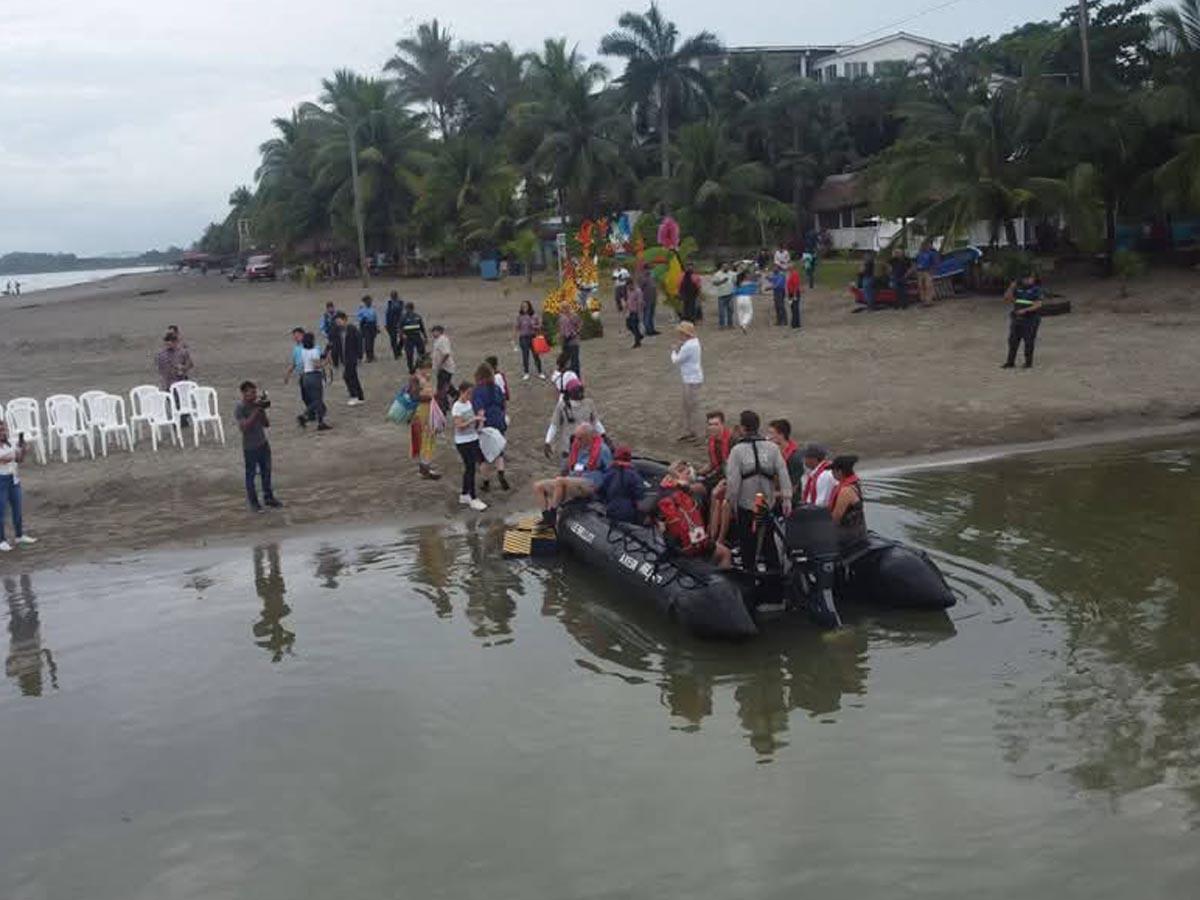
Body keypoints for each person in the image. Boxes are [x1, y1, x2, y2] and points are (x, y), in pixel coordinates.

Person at [724, 410, 793, 574]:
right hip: (766, 503)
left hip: (746, 504)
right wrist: (787, 498)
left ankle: (750, 576)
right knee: (768, 540)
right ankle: (775, 576)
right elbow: (783, 473)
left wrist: (730, 503)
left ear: (742, 428)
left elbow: (733, 483)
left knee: (748, 542)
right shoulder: (772, 448)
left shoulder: (737, 451)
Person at [532, 422, 612, 527]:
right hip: (572, 480)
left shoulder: (602, 449)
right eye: (576, 438)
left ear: (589, 437)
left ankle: (553, 512)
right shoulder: (576, 448)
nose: (577, 441)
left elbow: (610, 471)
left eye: (580, 438)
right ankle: (546, 517)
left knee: (561, 481)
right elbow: (567, 466)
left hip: (589, 483)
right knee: (538, 486)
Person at [655, 462, 732, 569]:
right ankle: (719, 580)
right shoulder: (690, 496)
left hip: (676, 545)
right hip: (693, 544)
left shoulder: (662, 493)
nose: (690, 473)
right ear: (681, 474)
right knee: (726, 553)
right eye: (687, 471)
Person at [234, 381, 283, 512]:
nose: (254, 395)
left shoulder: (256, 405)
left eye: (255, 392)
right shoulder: (240, 407)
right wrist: (256, 411)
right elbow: (244, 427)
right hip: (250, 447)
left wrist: (261, 410)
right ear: (244, 393)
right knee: (250, 476)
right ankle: (254, 503)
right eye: (252, 393)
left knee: (266, 473)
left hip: (262, 443)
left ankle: (268, 497)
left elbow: (266, 424)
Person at [472, 362, 510, 492]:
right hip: (499, 421)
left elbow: (480, 410)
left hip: (487, 423)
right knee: (498, 451)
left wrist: (480, 427)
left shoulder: (477, 391)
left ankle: (486, 482)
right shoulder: (497, 388)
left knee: (483, 455)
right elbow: (503, 404)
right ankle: (501, 474)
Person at [451, 381, 489, 511]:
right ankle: (473, 498)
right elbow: (459, 426)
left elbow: (473, 425)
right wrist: (474, 419)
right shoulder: (457, 406)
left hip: (473, 438)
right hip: (463, 442)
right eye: (468, 393)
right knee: (470, 468)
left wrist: (480, 420)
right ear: (461, 392)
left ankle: (464, 494)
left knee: (470, 468)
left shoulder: (469, 403)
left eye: (471, 393)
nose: (470, 396)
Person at [0, 421, 37, 552]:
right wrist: (16, 453)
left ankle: (19, 535)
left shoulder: (11, 443)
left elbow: (19, 460)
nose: (3, 433)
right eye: (1, 431)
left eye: (4, 430)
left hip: (13, 478)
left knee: (17, 508)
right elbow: (3, 459)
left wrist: (23, 451)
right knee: (1, 512)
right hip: (1, 480)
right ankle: (1, 540)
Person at [544, 382, 604, 459]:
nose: (580, 393)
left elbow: (596, 422)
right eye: (577, 391)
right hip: (568, 447)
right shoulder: (561, 406)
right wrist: (547, 441)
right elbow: (554, 426)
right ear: (570, 393)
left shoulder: (589, 403)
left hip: (587, 444)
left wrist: (603, 435)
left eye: (581, 390)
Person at [670, 321, 704, 443]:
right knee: (688, 407)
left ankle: (696, 433)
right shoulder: (693, 342)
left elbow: (676, 361)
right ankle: (690, 431)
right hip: (691, 378)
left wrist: (674, 350)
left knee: (691, 407)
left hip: (691, 379)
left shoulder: (689, 346)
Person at [1003, 272, 1044, 369]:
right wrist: (1011, 287)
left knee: (1028, 341)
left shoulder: (1036, 290)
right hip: (1017, 319)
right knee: (1013, 341)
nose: (1027, 280)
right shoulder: (1018, 289)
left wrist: (1025, 310)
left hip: (1031, 319)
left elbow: (1038, 305)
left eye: (1030, 278)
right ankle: (1010, 362)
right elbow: (1007, 298)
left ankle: (1028, 363)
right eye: (1025, 278)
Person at [410, 356, 441, 480]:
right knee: (426, 439)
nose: (428, 371)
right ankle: (425, 467)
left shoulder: (422, 378)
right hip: (421, 412)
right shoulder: (416, 379)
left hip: (426, 411)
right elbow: (415, 396)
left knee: (429, 438)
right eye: (426, 368)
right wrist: (430, 396)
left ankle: (425, 466)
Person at [597, 444, 644, 524]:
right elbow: (639, 493)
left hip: (611, 506)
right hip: (628, 509)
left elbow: (601, 489)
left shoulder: (610, 472)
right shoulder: (634, 475)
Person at [829, 455, 867, 549]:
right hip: (858, 529)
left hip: (849, 534)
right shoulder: (855, 484)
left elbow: (836, 518)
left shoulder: (846, 491)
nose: (831, 473)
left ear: (840, 472)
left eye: (833, 471)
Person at [297, 332, 331, 431]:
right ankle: (304, 415)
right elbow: (317, 365)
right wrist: (326, 362)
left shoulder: (303, 351)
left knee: (315, 400)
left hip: (306, 377)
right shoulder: (314, 351)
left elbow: (320, 356)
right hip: (314, 376)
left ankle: (321, 422)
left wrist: (327, 350)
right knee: (318, 400)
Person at [767, 419, 804, 504]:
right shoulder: (773, 452)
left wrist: (769, 495)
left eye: (771, 433)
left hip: (789, 504)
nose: (768, 437)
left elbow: (792, 490)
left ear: (781, 435)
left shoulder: (795, 458)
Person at [336, 312, 365, 405]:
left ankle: (354, 396)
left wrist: (360, 356)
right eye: (337, 321)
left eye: (339, 321)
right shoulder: (338, 331)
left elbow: (359, 342)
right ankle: (360, 396)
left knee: (347, 376)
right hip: (344, 358)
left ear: (345, 320)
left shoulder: (352, 329)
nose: (338, 323)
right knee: (354, 377)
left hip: (352, 357)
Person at [514, 300, 545, 380]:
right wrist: (515, 339)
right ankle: (526, 372)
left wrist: (535, 326)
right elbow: (517, 328)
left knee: (536, 355)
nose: (524, 308)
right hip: (523, 338)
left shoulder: (534, 316)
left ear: (529, 307)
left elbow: (540, 326)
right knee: (525, 356)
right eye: (523, 306)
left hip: (533, 337)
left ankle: (540, 372)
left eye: (526, 306)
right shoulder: (519, 316)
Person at [430, 325, 456, 404]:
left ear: (439, 331)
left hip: (445, 368)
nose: (433, 334)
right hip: (443, 368)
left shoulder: (442, 340)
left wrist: (440, 364)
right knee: (446, 384)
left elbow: (446, 353)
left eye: (434, 332)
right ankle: (455, 395)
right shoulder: (438, 340)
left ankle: (444, 403)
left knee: (442, 387)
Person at [401, 302, 427, 374]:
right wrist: (402, 335)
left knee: (422, 352)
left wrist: (425, 337)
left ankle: (418, 366)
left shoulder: (417, 317)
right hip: (408, 337)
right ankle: (411, 368)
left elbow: (422, 327)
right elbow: (400, 328)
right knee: (409, 354)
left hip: (417, 336)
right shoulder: (403, 317)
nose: (408, 310)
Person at [915, 239, 940, 306]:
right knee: (921, 286)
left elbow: (935, 263)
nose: (924, 247)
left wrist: (932, 271)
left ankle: (929, 300)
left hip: (927, 271)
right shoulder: (919, 254)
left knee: (928, 286)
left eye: (926, 245)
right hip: (920, 271)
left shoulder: (931, 253)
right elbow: (916, 263)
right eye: (923, 245)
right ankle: (923, 300)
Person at [558, 305, 582, 375]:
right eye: (563, 308)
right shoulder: (561, 317)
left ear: (569, 308)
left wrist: (575, 333)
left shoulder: (574, 316)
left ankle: (577, 378)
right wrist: (560, 338)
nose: (565, 309)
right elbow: (561, 329)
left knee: (575, 362)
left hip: (573, 341)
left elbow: (580, 325)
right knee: (565, 361)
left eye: (566, 307)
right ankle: (568, 378)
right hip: (564, 342)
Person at [712, 262, 735, 329]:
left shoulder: (731, 273)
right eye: (724, 266)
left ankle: (730, 324)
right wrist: (722, 281)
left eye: (727, 266)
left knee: (730, 310)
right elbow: (714, 283)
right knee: (721, 312)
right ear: (721, 267)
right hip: (721, 295)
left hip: (730, 294)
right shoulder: (717, 274)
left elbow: (735, 280)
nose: (726, 267)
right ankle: (722, 325)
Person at [356, 296, 379, 362]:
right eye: (368, 301)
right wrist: (363, 319)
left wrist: (377, 327)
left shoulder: (373, 309)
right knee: (367, 342)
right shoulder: (362, 310)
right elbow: (358, 318)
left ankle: (372, 355)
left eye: (370, 301)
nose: (370, 302)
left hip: (372, 326)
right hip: (366, 326)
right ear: (365, 302)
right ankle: (368, 357)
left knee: (372, 341)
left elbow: (375, 318)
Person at [385, 290, 405, 360]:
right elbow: (386, 314)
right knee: (393, 339)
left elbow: (402, 312)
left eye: (394, 296)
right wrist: (386, 323)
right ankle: (396, 354)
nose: (393, 297)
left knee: (403, 338)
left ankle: (398, 349)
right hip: (390, 323)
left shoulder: (400, 303)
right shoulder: (389, 303)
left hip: (399, 323)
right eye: (392, 296)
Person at [624, 276, 644, 348]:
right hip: (630, 311)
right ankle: (639, 336)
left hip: (636, 311)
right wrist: (626, 308)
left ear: (632, 284)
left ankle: (637, 342)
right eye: (627, 286)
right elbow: (628, 300)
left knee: (635, 326)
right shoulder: (628, 290)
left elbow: (640, 302)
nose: (628, 287)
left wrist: (639, 313)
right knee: (628, 325)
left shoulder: (638, 291)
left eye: (629, 285)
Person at [640, 267, 659, 336]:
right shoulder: (643, 279)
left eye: (649, 269)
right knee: (647, 315)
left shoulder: (652, 278)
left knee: (651, 315)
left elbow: (654, 288)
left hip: (652, 299)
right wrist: (641, 300)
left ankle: (652, 329)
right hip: (646, 300)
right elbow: (640, 290)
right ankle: (648, 330)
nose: (648, 270)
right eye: (647, 269)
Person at [786, 265, 803, 329]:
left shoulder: (795, 274)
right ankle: (795, 322)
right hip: (791, 293)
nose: (788, 269)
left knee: (795, 308)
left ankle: (795, 323)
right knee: (792, 307)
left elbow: (796, 285)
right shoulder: (790, 274)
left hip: (794, 293)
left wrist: (795, 294)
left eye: (789, 268)